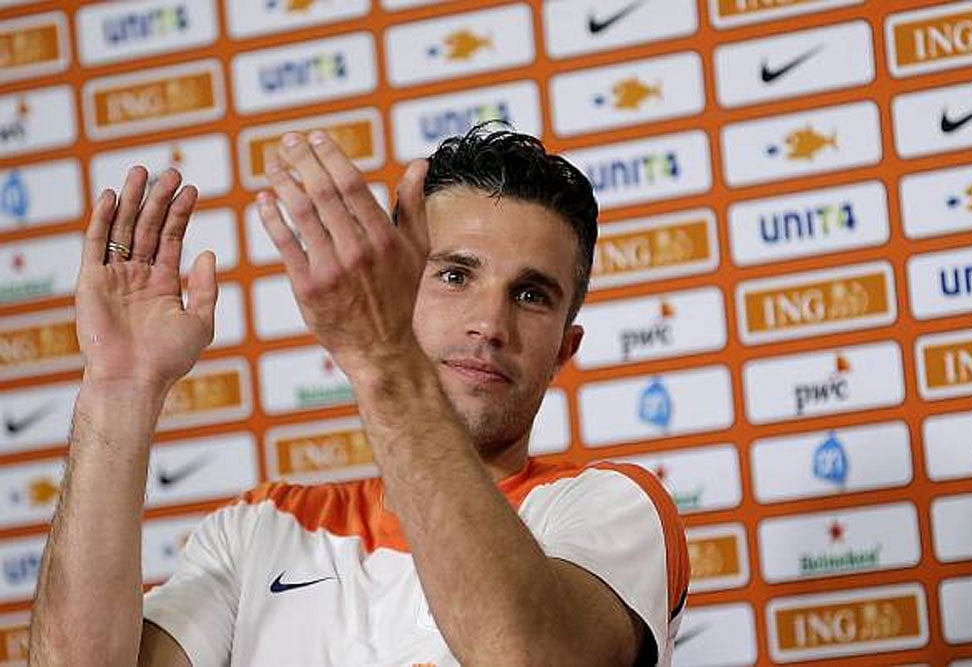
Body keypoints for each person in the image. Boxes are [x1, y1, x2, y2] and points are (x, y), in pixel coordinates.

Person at [28, 126, 689, 666]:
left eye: (530, 294)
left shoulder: (613, 508)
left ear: (564, 350)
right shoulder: (260, 530)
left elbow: (525, 656)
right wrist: (118, 388)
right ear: (396, 287)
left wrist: (384, 355)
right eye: (454, 275)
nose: (489, 324)